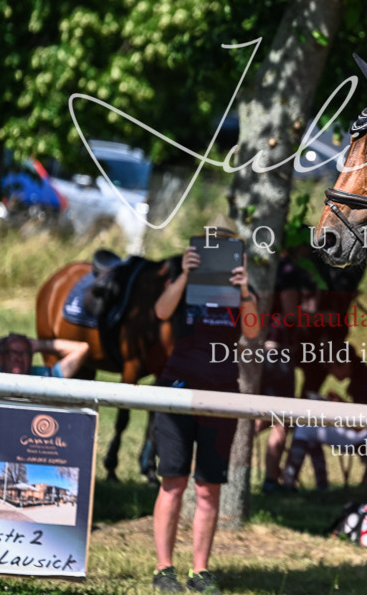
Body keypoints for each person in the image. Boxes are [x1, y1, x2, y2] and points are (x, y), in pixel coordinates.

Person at [150, 219, 259, 594]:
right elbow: (161, 311)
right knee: (173, 482)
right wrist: (184, 274)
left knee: (209, 488)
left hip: (221, 393)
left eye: (226, 246)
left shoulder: (242, 289)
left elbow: (252, 330)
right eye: (210, 245)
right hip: (178, 388)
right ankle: (164, 569)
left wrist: (243, 289)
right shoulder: (182, 280)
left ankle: (200, 571)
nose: (217, 253)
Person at [281, 343, 367, 490]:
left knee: (305, 428)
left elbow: (360, 425)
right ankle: (319, 483)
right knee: (310, 429)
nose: (330, 373)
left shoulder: (365, 383)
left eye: (331, 367)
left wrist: (335, 412)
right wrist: (339, 404)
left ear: (345, 363)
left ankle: (294, 482)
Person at [255, 252, 314, 494]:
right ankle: (271, 479)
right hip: (277, 350)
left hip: (255, 350)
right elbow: (290, 314)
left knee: (262, 415)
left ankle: (226, 454)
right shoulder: (286, 270)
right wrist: (313, 317)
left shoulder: (257, 264)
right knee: (281, 418)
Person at [0, 333, 88, 378]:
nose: (18, 358)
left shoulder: (45, 377)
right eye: (13, 352)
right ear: (0, 358)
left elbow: (81, 349)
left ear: (31, 358)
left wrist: (39, 344)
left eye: (24, 353)